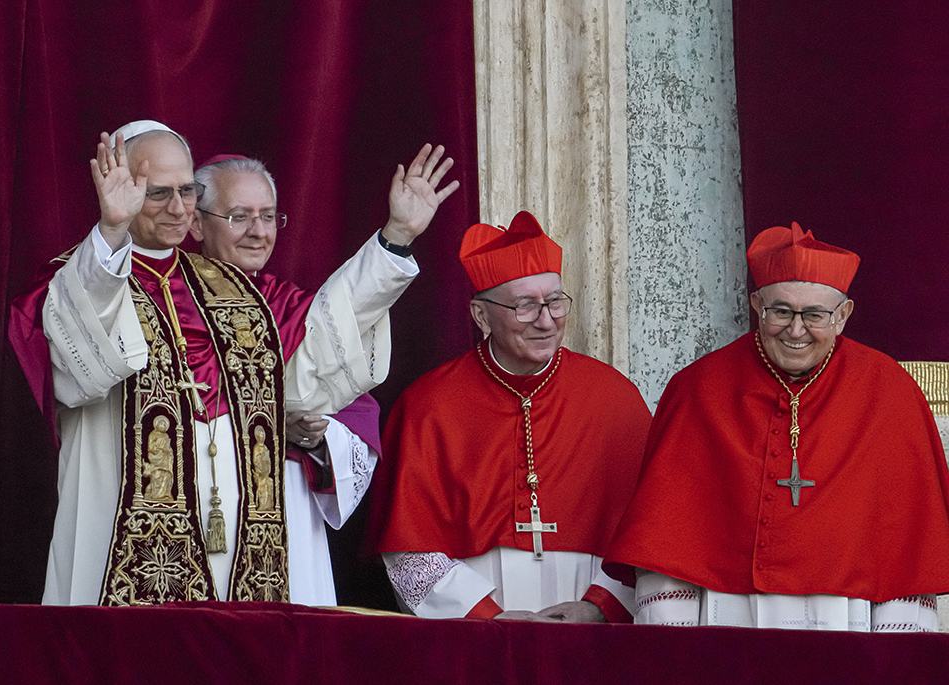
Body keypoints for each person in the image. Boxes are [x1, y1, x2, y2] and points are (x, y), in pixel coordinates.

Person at [11, 120, 457, 606]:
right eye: (158, 193)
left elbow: (322, 353)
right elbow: (86, 360)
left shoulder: (236, 289)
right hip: (122, 540)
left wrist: (394, 239)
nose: (179, 208)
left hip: (240, 545)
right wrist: (112, 229)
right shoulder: (81, 275)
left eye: (186, 191)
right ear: (120, 189)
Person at [604, 222, 949, 632]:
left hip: (850, 624)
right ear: (756, 304)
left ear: (843, 315)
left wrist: (897, 660)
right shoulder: (699, 388)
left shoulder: (890, 392)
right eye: (781, 311)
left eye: (815, 314)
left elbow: (907, 550)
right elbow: (664, 542)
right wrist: (672, 653)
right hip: (727, 623)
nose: (796, 330)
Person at [368, 211, 652, 622]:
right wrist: (488, 618)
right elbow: (410, 552)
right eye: (525, 306)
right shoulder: (429, 405)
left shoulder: (615, 398)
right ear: (481, 316)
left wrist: (599, 607)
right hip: (472, 629)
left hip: (593, 627)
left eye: (555, 302)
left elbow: (647, 531)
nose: (546, 320)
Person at [189, 153, 384, 605]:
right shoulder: (165, 307)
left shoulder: (298, 310)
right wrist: (276, 424)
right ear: (197, 225)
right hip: (194, 509)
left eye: (269, 216)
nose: (259, 231)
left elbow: (355, 412)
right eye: (240, 216)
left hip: (286, 517)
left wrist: (315, 437)